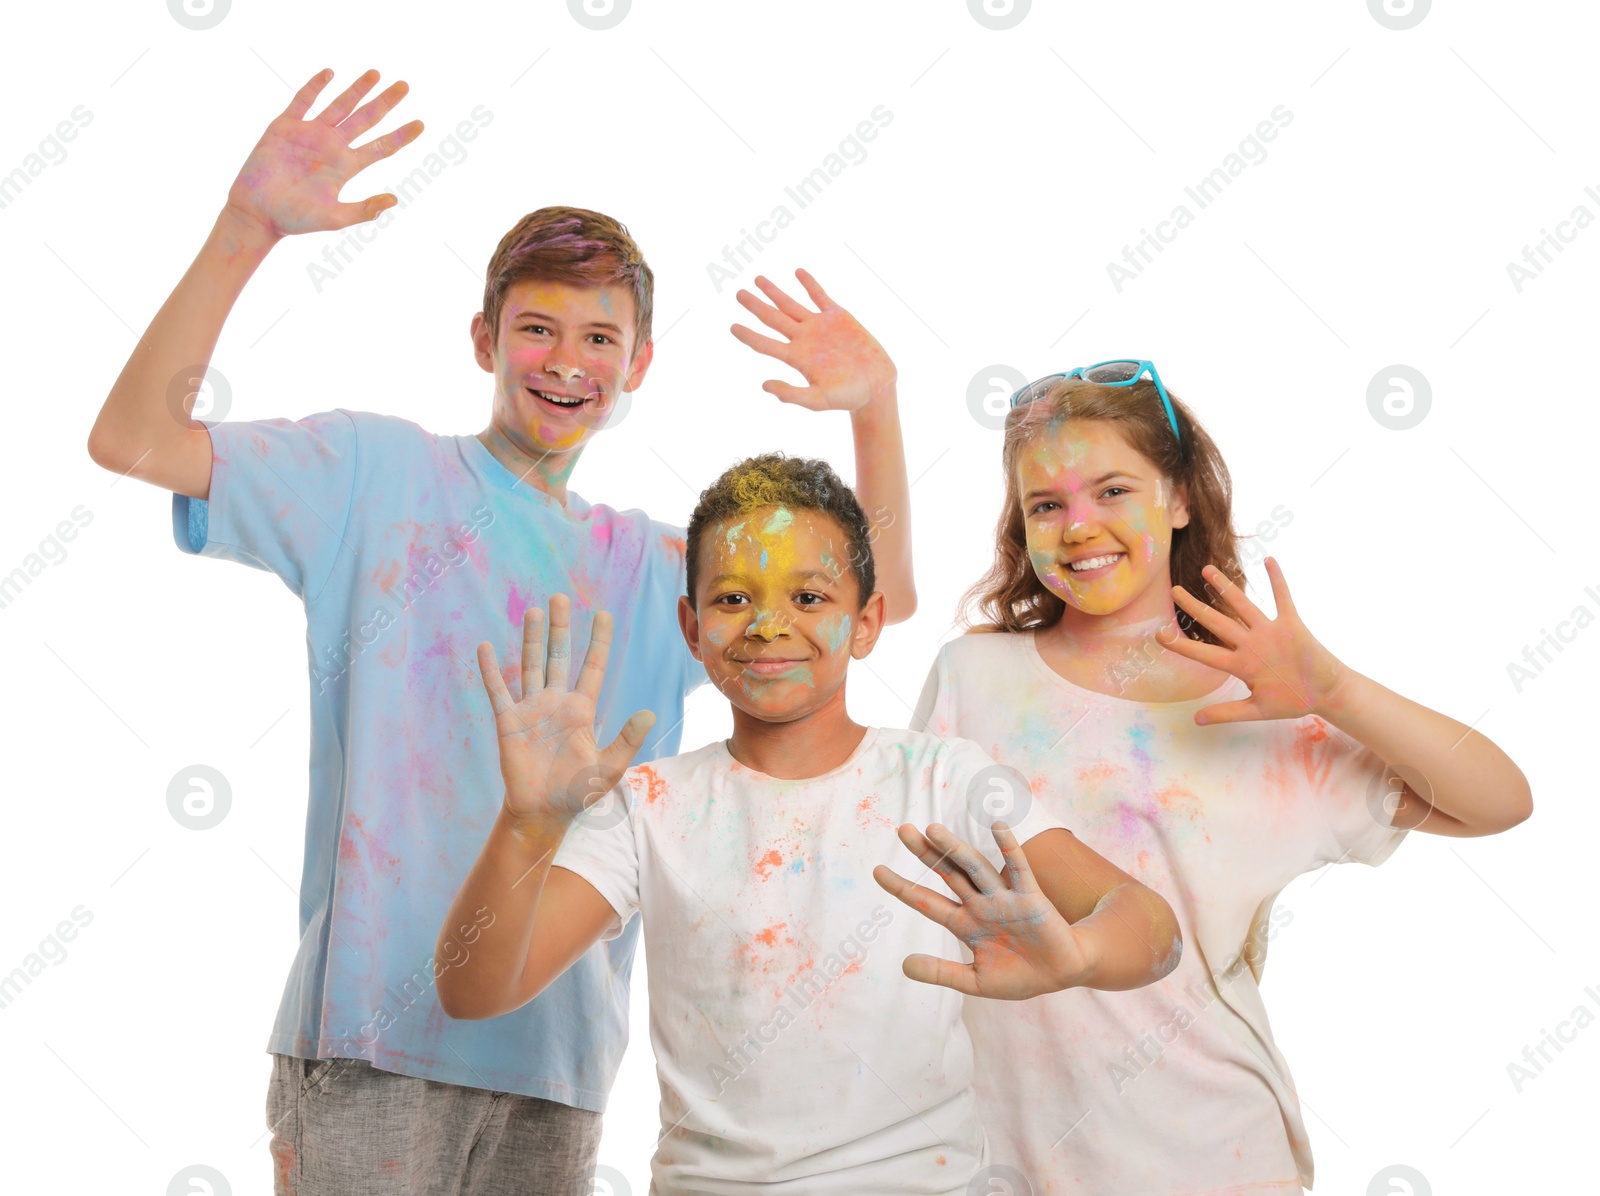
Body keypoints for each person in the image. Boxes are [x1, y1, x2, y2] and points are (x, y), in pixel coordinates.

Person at [86, 68, 919, 1195]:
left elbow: (869, 603)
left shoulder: (656, 566)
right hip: (371, 1043)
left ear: (638, 366)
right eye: (536, 327)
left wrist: (876, 406)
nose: (566, 361)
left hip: (554, 1050)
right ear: (483, 338)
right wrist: (248, 229)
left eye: (597, 336)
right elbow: (133, 438)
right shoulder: (374, 475)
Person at [436, 454, 1184, 1194]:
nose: (768, 626)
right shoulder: (649, 804)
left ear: (866, 623)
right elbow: (473, 991)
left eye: (808, 597)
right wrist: (526, 828)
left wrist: (1078, 957)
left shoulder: (944, 778)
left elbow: (1151, 927)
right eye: (733, 599)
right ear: (691, 629)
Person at [913, 360, 1534, 1193]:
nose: (1078, 526)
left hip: (1217, 1157)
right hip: (1006, 1163)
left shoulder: (1268, 710)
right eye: (1046, 505)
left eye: (1113, 491)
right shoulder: (971, 679)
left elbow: (1500, 801)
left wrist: (1337, 692)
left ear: (1177, 500)